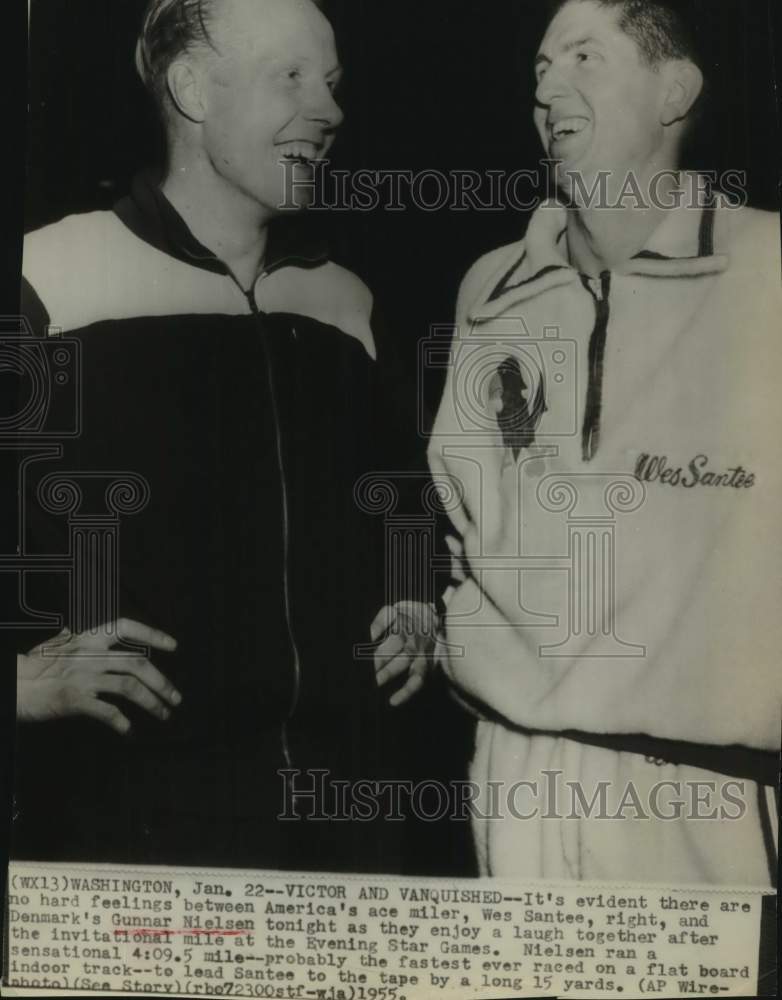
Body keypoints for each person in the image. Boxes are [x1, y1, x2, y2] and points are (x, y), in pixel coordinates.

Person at [15, 0, 433, 872]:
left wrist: (414, 594)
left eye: (332, 81)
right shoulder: (46, 278)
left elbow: (406, 500)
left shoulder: (348, 302)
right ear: (192, 86)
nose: (330, 110)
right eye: (292, 75)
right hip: (126, 840)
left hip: (343, 827)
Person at [429, 0, 781, 884]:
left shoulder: (769, 268)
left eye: (584, 57)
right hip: (515, 779)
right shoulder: (490, 287)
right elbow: (460, 522)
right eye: (541, 69)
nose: (548, 88)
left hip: (710, 796)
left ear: (675, 89)